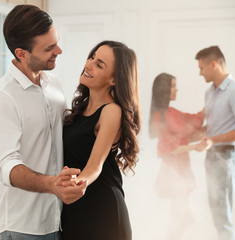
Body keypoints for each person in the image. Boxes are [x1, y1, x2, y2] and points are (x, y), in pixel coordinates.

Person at [0, 5, 86, 240]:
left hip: (58, 220)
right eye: (49, 48)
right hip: (22, 227)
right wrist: (52, 185)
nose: (58, 50)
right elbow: (7, 166)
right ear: (22, 54)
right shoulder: (2, 97)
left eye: (56, 42)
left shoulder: (54, 85)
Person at [59, 40, 140, 240]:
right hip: (76, 207)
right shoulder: (80, 109)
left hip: (103, 210)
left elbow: (95, 166)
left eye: (99, 64)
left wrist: (76, 183)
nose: (88, 64)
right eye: (92, 57)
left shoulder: (112, 111)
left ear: (114, 79)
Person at [195, 46, 235, 240]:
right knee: (216, 213)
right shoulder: (209, 93)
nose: (200, 72)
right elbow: (214, 126)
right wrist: (192, 135)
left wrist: (213, 139)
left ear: (214, 64)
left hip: (228, 157)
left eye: (202, 68)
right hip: (212, 156)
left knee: (222, 215)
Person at [149, 72, 204, 239]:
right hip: (173, 174)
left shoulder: (171, 112)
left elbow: (194, 121)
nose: (177, 90)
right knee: (187, 217)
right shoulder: (160, 116)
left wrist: (210, 105)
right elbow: (170, 149)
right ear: (164, 90)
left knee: (178, 217)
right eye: (173, 86)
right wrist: (195, 146)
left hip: (181, 171)